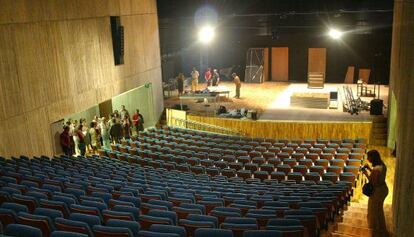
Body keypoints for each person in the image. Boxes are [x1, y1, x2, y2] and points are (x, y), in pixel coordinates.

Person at [362, 150, 389, 237]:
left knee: (374, 212)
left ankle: (377, 232)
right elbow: (377, 175)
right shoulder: (382, 165)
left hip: (377, 192)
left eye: (368, 157)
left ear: (372, 158)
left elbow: (373, 182)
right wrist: (370, 169)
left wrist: (366, 173)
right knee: (379, 211)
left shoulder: (377, 169)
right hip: (383, 189)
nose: (367, 159)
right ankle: (382, 231)